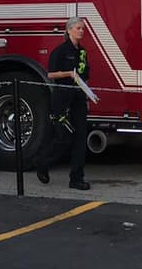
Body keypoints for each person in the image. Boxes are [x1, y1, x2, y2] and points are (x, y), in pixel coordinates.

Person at [36, 17, 91, 191]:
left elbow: (85, 75)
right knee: (64, 137)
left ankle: (76, 178)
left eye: (83, 28)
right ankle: (42, 163)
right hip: (62, 98)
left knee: (81, 137)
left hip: (78, 98)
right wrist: (68, 73)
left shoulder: (82, 52)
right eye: (78, 28)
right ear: (68, 30)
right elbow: (51, 74)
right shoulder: (60, 51)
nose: (81, 31)